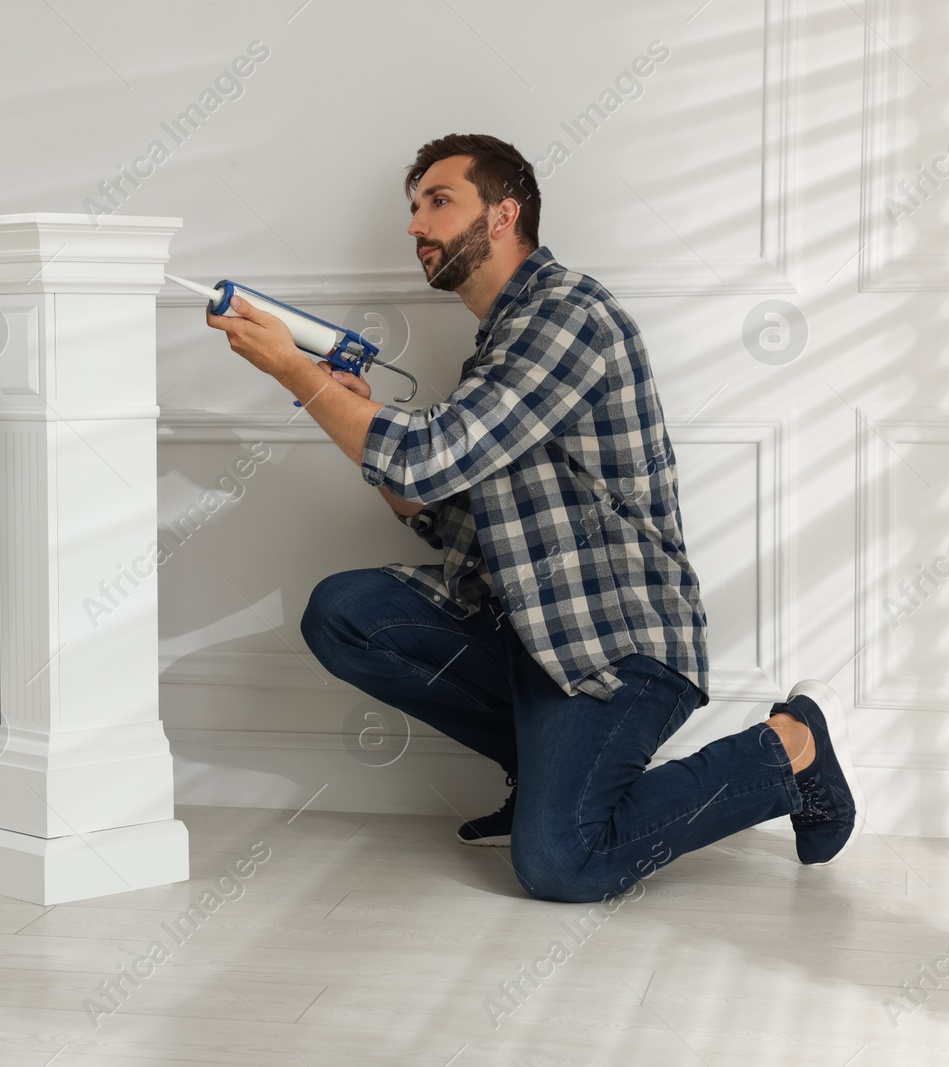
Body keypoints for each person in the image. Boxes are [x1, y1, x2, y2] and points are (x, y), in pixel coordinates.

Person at [199, 133, 865, 903]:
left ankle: (793, 746)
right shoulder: (498, 349)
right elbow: (434, 509)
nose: (417, 225)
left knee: (560, 862)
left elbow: (421, 458)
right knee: (346, 614)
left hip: (619, 644)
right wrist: (337, 396)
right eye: (413, 208)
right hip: (532, 632)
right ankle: (547, 769)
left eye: (439, 202)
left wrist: (291, 368)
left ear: (505, 213)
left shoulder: (567, 316)